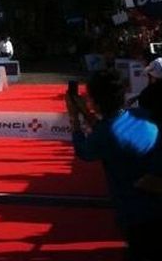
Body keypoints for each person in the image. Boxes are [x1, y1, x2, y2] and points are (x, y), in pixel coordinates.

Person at [66, 70, 162, 260]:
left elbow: (84, 151)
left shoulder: (104, 134)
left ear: (95, 101)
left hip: (137, 215)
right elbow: (110, 129)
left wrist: (74, 118)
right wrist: (86, 113)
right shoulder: (142, 114)